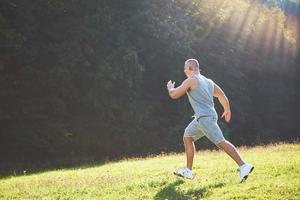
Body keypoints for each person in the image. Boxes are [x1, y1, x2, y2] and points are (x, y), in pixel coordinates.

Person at [166, 58, 254, 182]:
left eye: (185, 68)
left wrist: (170, 88)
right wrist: (227, 109)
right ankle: (188, 171)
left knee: (221, 141)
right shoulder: (208, 81)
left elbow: (174, 95)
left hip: (205, 118)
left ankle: (243, 165)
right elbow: (221, 95)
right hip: (203, 117)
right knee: (188, 137)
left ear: (191, 69)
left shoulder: (191, 80)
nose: (184, 70)